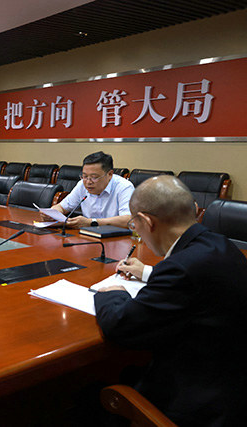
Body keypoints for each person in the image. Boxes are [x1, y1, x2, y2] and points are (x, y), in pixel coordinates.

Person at [94, 175, 247, 425]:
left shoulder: (180, 268)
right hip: (231, 381)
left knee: (92, 396)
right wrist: (148, 272)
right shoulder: (221, 244)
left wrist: (112, 294)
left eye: (134, 224)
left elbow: (121, 326)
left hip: (198, 404)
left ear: (146, 221)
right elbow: (196, 284)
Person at [51, 151, 133, 228]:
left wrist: (91, 222)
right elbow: (61, 207)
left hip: (116, 236)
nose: (88, 182)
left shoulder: (124, 187)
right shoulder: (81, 185)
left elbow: (128, 219)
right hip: (87, 235)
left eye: (94, 177)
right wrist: (51, 214)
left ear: (109, 174)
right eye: (85, 176)